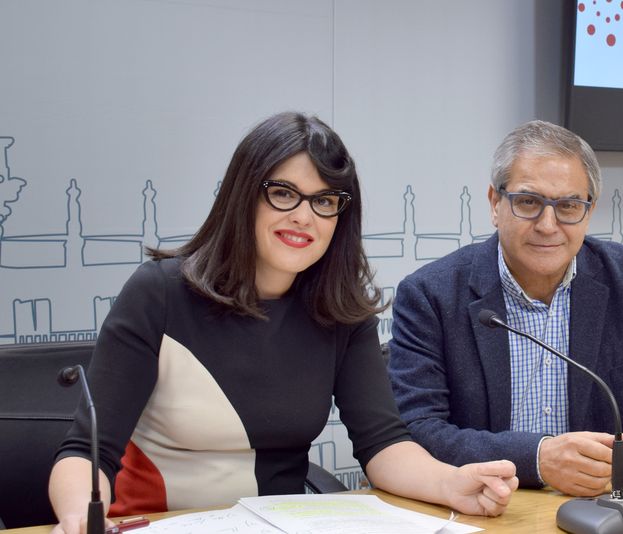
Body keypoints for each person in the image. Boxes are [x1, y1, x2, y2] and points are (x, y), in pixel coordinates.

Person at [48, 112, 518, 534]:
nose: (303, 216)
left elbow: (383, 444)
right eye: (283, 193)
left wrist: (451, 483)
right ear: (242, 196)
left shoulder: (341, 311)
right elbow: (88, 454)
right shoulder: (160, 294)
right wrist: (78, 519)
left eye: (324, 201)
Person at [388, 120, 623, 498]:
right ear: (496, 204)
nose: (548, 225)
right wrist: (539, 459)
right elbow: (416, 431)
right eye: (528, 202)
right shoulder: (431, 294)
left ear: (588, 211)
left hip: (599, 510)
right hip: (489, 509)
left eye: (568, 206)